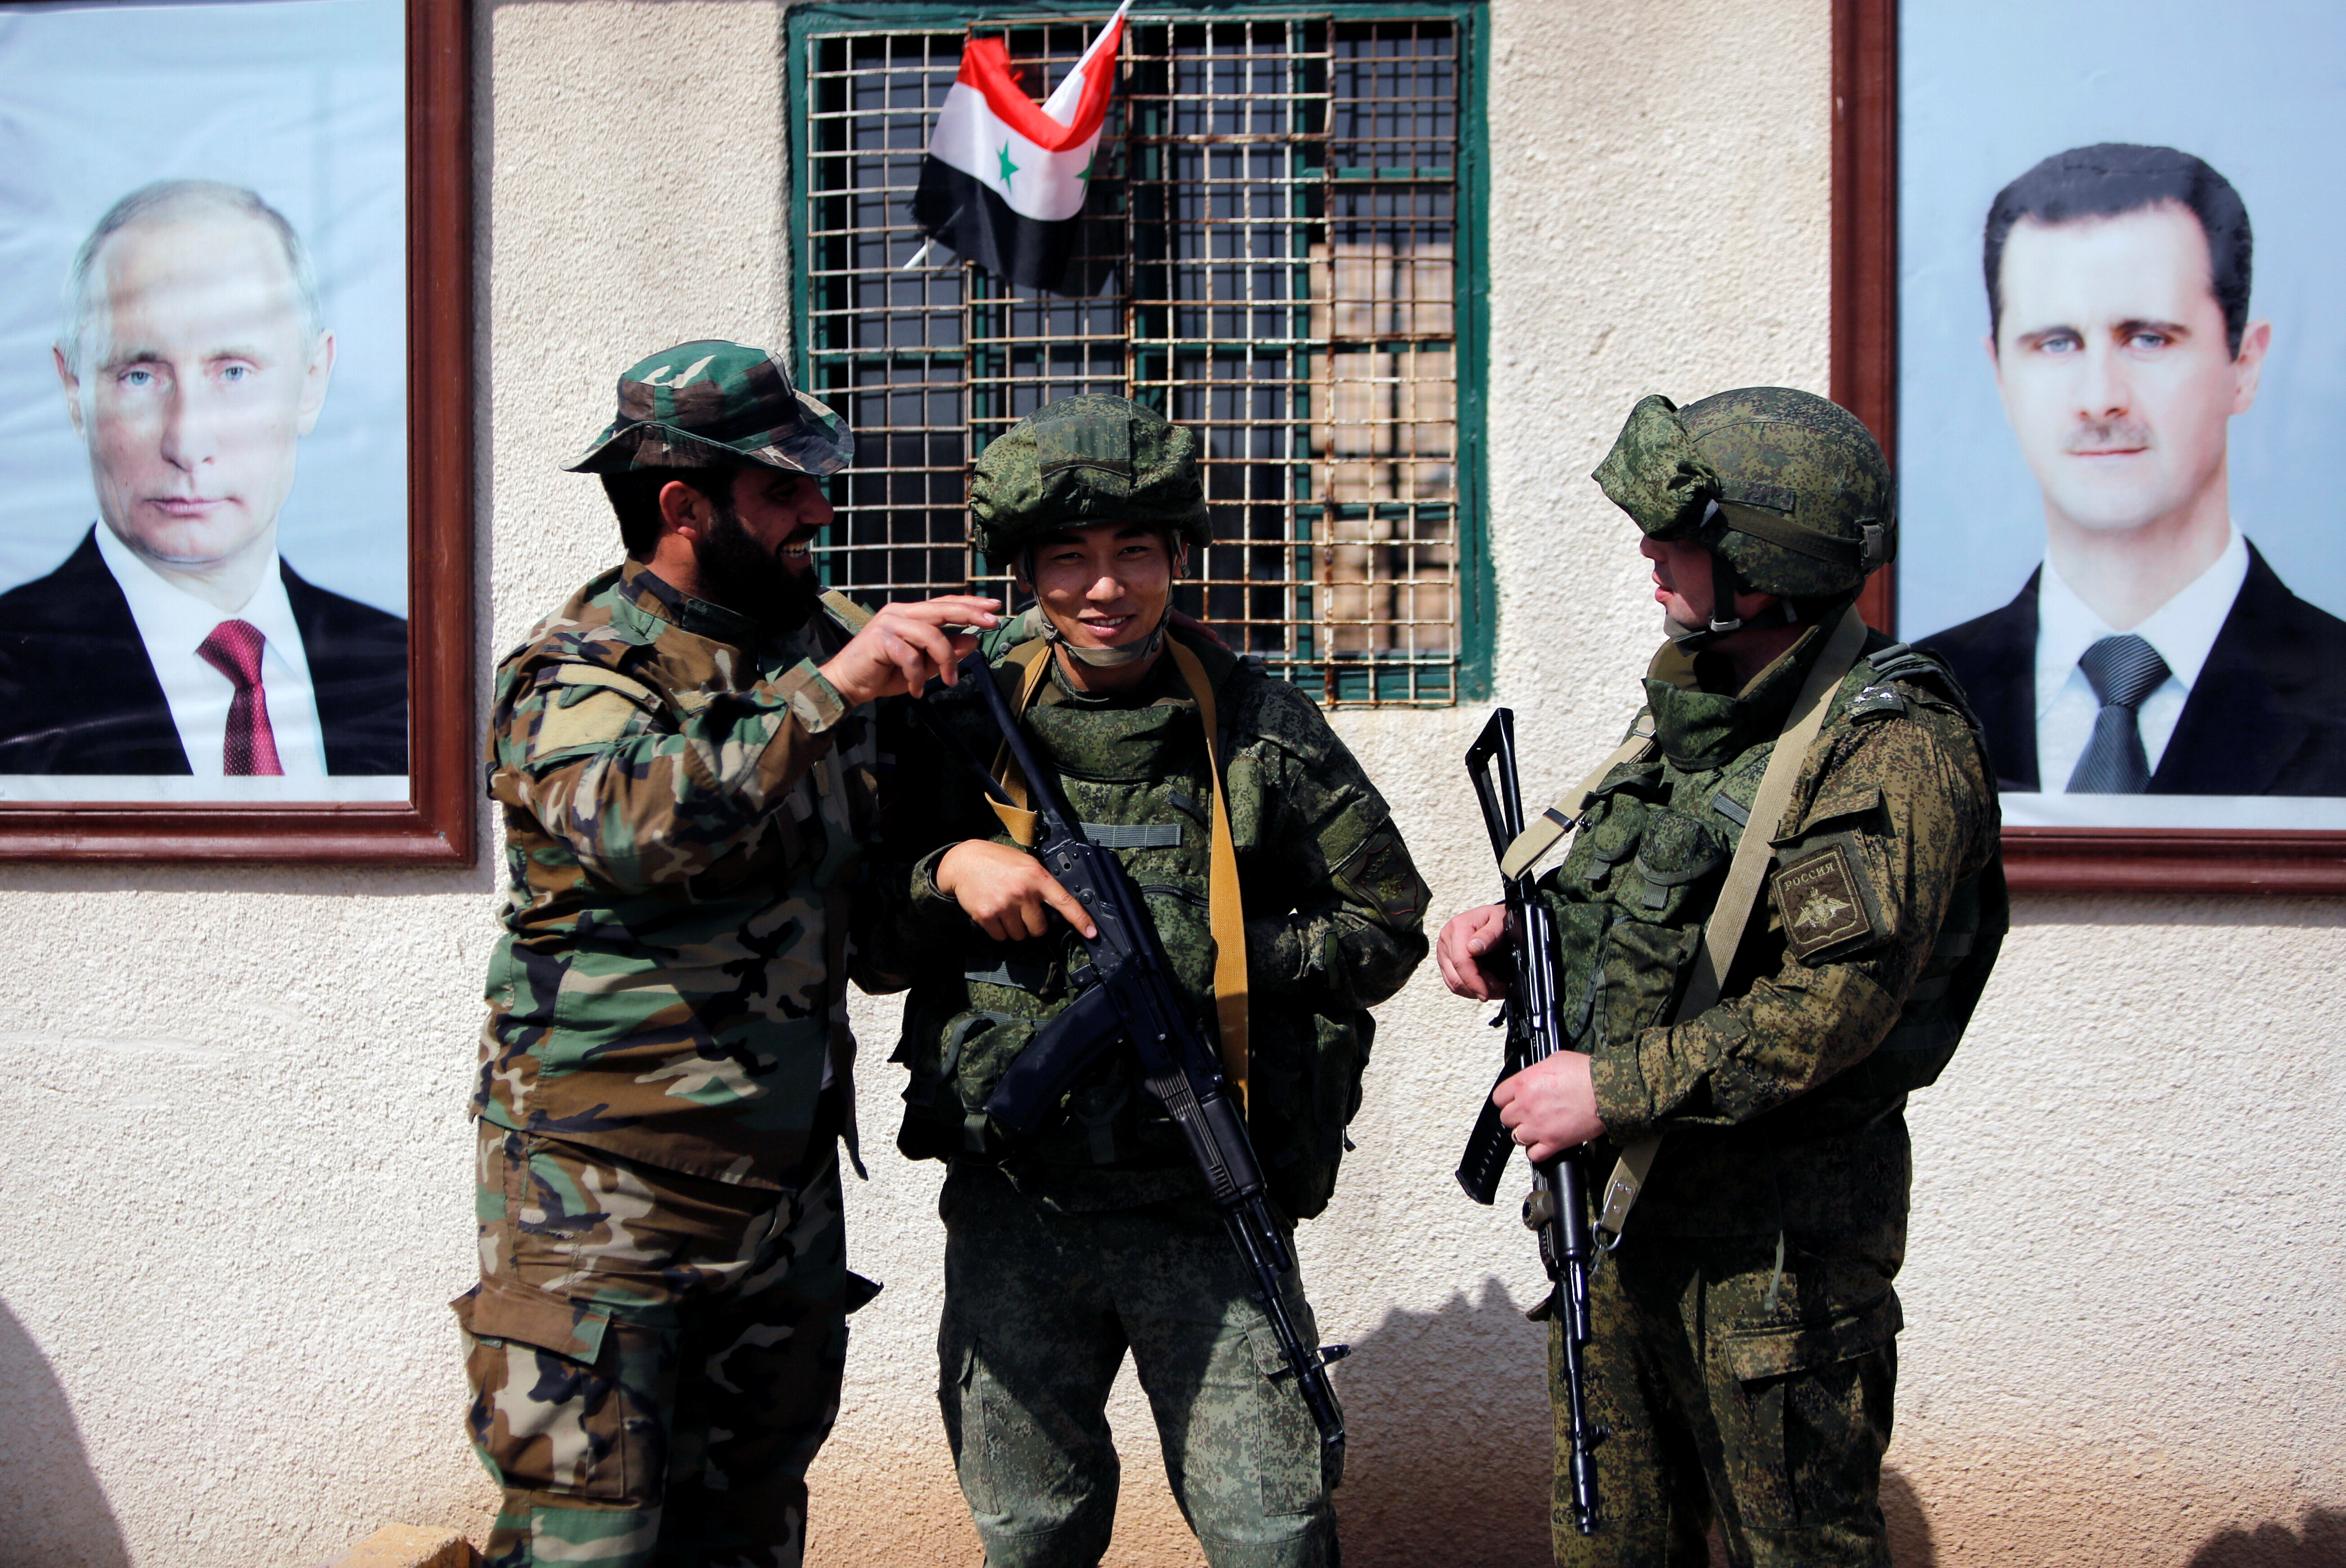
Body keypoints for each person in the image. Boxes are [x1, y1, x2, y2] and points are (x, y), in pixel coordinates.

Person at [857, 394, 1431, 1568]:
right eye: (1068, 558)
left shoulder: (1260, 728)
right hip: (1019, 1205)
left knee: (1273, 1533)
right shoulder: (961, 719)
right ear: (1026, 572)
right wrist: (949, 869)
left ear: (1178, 557)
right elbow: (867, 944)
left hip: (1204, 1201)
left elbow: (1386, 928)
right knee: (1031, 1532)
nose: (1105, 588)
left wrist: (1219, 958)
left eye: (1135, 553)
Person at [454, 339, 1002, 1568]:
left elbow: (872, 929)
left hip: (779, 1193)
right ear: (684, 508)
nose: (819, 509)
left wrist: (954, 867)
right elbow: (634, 823)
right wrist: (832, 694)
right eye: (781, 488)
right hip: (602, 1199)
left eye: (814, 478)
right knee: (588, 1543)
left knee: (749, 1530)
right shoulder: (579, 668)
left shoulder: (830, 647)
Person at [1437, 388, 2006, 1567]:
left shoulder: (1888, 744)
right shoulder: (1701, 709)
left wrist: (1611, 1089)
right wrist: (1527, 937)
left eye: (1678, 534)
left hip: (1771, 1266)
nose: (1649, 553)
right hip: (1620, 1228)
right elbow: (1671, 915)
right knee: (1609, 1548)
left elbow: (1828, 1008)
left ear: (1763, 563)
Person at [1918, 143, 2346, 795]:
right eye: (2056, 343)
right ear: (2001, 375)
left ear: (2245, 366)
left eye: (2149, 339)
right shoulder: (1906, 705)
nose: (2100, 399)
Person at [0, 178, 407, 777]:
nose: (187, 443)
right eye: (140, 376)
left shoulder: (408, 675)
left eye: (234, 372)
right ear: (73, 390)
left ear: (312, 382)